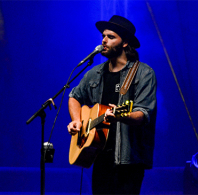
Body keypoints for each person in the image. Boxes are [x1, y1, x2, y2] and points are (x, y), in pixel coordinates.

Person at [67, 15, 157, 194]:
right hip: (99, 156)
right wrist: (77, 120)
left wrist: (121, 115)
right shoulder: (95, 73)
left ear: (124, 43)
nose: (104, 40)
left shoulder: (143, 73)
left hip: (128, 161)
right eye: (103, 36)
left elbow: (143, 114)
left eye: (110, 36)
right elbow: (74, 96)